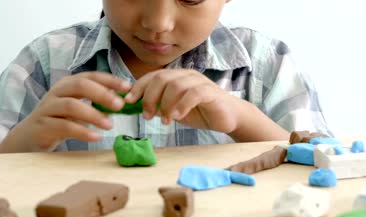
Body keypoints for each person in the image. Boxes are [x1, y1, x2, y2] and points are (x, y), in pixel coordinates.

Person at [0, 0, 330, 153]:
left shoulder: (267, 65)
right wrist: (24, 143)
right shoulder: (44, 64)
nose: (159, 22)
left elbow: (333, 167)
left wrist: (244, 121)